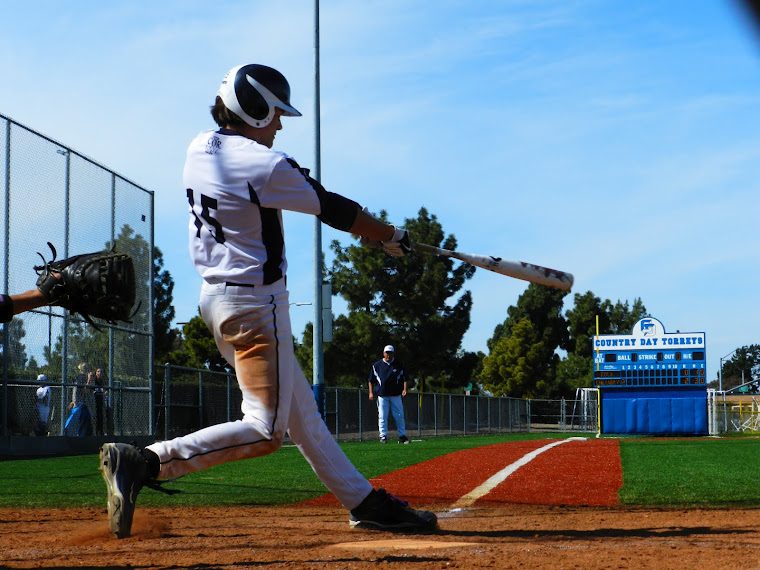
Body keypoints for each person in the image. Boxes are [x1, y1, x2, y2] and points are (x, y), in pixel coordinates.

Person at [98, 63, 436, 539]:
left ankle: (364, 501)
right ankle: (147, 462)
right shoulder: (265, 165)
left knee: (304, 419)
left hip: (217, 303)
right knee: (265, 430)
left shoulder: (199, 147)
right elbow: (333, 207)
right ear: (252, 111)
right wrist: (389, 236)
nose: (279, 125)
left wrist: (369, 232)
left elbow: (294, 192)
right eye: (274, 114)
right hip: (258, 309)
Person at [367, 345, 409, 444]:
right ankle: (383, 436)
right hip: (382, 395)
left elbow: (405, 378)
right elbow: (370, 380)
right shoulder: (377, 365)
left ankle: (402, 436)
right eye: (387, 353)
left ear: (393, 353)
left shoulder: (399, 364)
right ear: (383, 353)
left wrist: (404, 389)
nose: (388, 355)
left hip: (396, 395)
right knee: (382, 416)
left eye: (390, 353)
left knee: (399, 415)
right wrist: (370, 392)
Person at [64, 363, 92, 437]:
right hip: (80, 404)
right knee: (81, 421)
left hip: (79, 403)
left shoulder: (80, 377)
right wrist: (89, 380)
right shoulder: (82, 377)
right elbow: (85, 390)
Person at [93, 367, 108, 436]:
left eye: (101, 372)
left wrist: (105, 393)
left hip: (101, 402)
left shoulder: (105, 382)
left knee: (101, 417)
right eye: (98, 371)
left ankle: (101, 432)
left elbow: (106, 392)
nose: (99, 373)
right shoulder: (93, 381)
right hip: (93, 402)